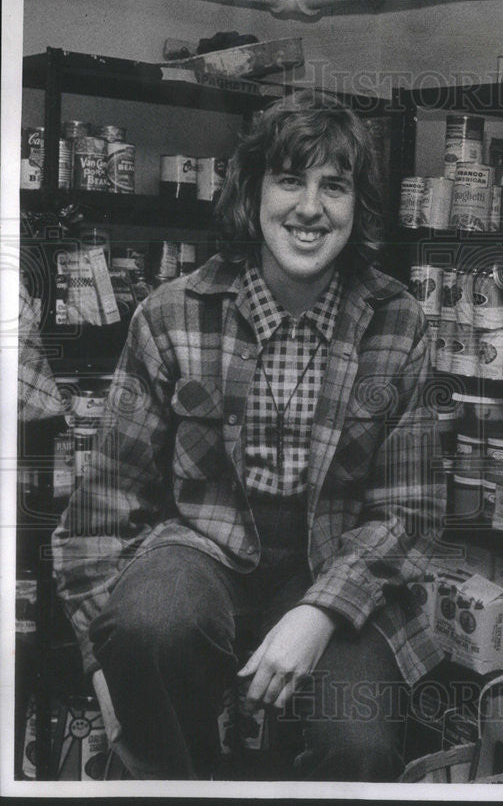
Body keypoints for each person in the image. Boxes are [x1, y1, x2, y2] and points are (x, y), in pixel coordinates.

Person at [51, 91, 446, 781]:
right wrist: (105, 667)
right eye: (290, 179)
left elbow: (408, 513)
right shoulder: (171, 314)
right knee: (152, 623)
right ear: (253, 191)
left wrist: (321, 611)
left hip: (341, 566)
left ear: (357, 206)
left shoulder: (397, 320)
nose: (310, 208)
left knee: (358, 745)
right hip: (201, 554)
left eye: (335, 186)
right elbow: (99, 513)